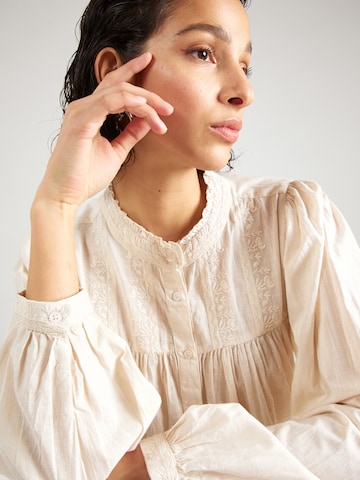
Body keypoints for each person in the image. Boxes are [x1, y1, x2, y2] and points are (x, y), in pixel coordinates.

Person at [0, 0, 359, 478]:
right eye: (204, 53)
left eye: (246, 64)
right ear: (117, 72)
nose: (243, 91)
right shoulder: (61, 261)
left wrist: (159, 466)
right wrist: (54, 207)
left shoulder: (291, 219)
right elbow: (50, 464)